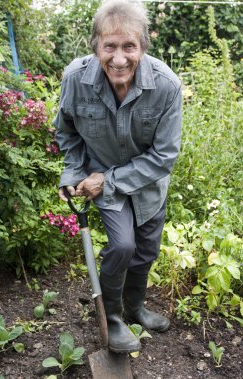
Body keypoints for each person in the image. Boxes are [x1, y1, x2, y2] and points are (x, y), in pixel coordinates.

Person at [54, 0, 182, 354]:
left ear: (142, 47)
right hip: (101, 178)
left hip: (148, 185)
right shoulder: (76, 80)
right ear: (96, 45)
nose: (119, 58)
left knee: (145, 251)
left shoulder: (166, 86)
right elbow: (66, 132)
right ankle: (111, 316)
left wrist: (106, 180)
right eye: (109, 46)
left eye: (129, 46)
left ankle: (134, 308)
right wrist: (74, 172)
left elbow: (164, 156)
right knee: (123, 246)